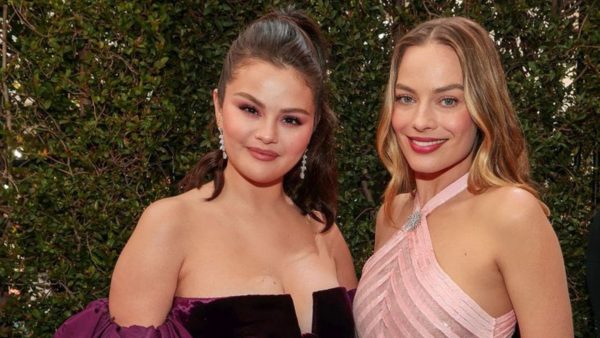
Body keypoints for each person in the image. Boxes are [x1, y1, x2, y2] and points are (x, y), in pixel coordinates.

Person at [55, 7, 357, 338]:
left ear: (313, 128)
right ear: (218, 107)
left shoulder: (325, 233)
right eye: (250, 110)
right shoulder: (169, 225)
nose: (268, 134)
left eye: (291, 119)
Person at [353, 17, 572, 337]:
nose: (421, 120)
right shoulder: (392, 213)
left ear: (482, 106)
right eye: (406, 98)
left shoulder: (512, 214)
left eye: (448, 100)